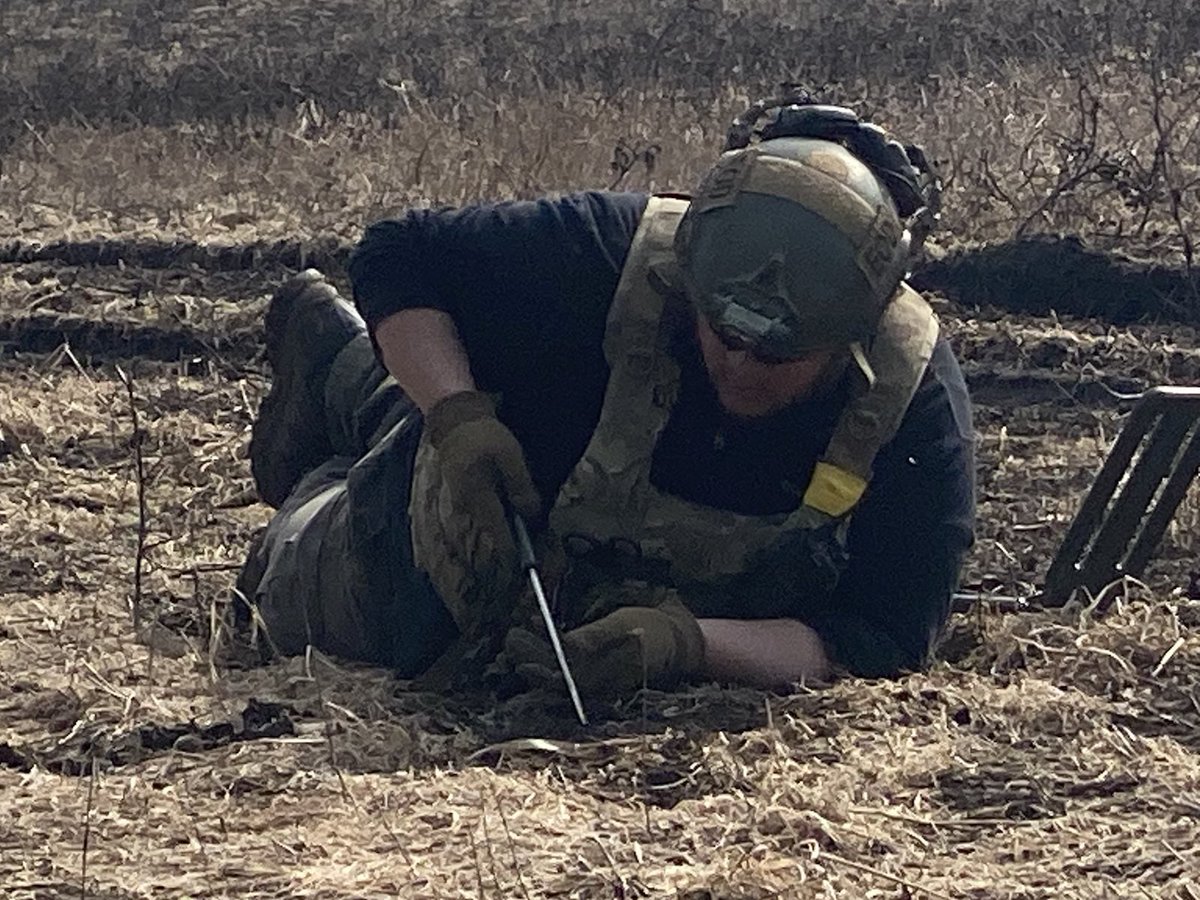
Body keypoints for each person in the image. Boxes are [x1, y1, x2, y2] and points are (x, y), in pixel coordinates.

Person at [236, 100, 976, 703]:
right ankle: (343, 393)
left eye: (781, 354)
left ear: (851, 338)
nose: (743, 366)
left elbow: (885, 638)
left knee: (427, 399)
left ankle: (358, 379)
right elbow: (401, 256)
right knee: (276, 597)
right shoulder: (614, 248)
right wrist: (459, 418)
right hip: (429, 544)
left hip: (648, 621)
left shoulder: (911, 398)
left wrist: (685, 645)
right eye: (722, 332)